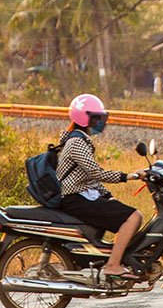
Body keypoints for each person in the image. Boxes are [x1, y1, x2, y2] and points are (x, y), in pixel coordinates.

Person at [58, 93, 145, 283]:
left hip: (81, 195)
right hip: (76, 199)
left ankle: (112, 259)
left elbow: (89, 177)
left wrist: (108, 195)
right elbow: (96, 173)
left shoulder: (77, 140)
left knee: (125, 213)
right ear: (84, 118)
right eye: (96, 118)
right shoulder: (76, 143)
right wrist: (128, 176)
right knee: (134, 217)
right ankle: (113, 265)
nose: (101, 122)